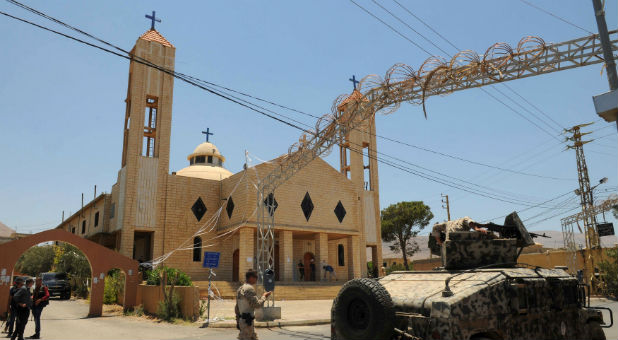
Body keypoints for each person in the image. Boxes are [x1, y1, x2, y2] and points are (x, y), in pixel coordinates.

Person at [234, 270, 271, 340]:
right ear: (251, 278)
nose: (257, 279)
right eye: (256, 277)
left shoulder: (240, 288)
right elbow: (257, 305)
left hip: (243, 321)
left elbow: (237, 308)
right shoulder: (249, 289)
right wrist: (264, 296)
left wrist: (238, 320)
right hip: (247, 323)